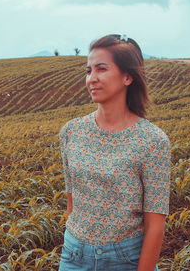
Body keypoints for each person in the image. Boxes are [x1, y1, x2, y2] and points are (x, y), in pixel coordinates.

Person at [58, 34, 170, 271]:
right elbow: (72, 203)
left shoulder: (152, 140)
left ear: (128, 76)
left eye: (101, 69)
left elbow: (155, 225)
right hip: (74, 256)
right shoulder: (71, 132)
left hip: (126, 259)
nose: (92, 79)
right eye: (89, 71)